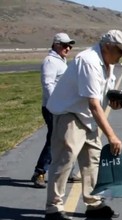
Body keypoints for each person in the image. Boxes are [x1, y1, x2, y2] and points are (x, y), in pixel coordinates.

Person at [44, 30, 122, 220]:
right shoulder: (89, 61)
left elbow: (102, 96)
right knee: (64, 160)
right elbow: (93, 103)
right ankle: (53, 208)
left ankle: (93, 203)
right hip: (70, 114)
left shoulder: (108, 64)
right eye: (120, 50)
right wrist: (112, 136)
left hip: (87, 117)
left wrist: (115, 101)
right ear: (107, 47)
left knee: (93, 159)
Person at [31, 33, 80, 189]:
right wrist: (56, 105)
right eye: (65, 45)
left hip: (62, 107)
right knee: (54, 141)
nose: (68, 48)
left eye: (70, 45)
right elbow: (48, 85)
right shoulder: (51, 61)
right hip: (53, 108)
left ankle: (67, 171)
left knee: (67, 139)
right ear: (56, 44)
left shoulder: (61, 61)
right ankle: (39, 172)